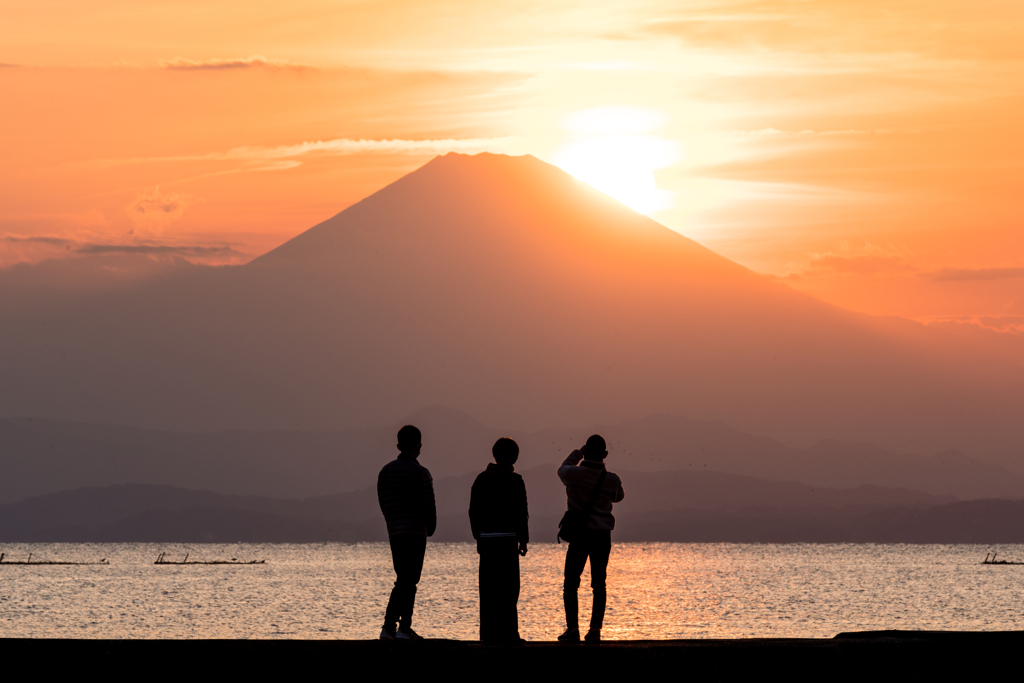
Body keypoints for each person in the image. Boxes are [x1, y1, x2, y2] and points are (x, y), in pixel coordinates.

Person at [557, 434, 624, 643]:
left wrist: (577, 453)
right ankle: (595, 629)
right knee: (599, 584)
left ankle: (573, 629)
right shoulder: (611, 479)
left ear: (585, 452)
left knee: (571, 583)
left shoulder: (573, 474)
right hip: (602, 536)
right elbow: (618, 496)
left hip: (579, 535)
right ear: (605, 454)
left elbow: (562, 468)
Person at [377, 424, 436, 640]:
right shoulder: (421, 473)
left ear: (398, 445)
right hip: (416, 532)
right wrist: (430, 527)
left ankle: (398, 628)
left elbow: (384, 503)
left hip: (395, 531)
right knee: (409, 580)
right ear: (419, 446)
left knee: (404, 578)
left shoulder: (385, 472)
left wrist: (393, 522)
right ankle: (396, 627)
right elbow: (429, 505)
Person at [468, 437, 529, 644]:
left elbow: (473, 511)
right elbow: (522, 513)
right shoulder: (515, 481)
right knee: (509, 591)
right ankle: (510, 634)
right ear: (514, 457)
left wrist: (478, 536)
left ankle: (487, 635)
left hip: (487, 542)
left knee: (488, 591)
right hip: (508, 541)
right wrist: (524, 539)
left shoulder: (481, 479)